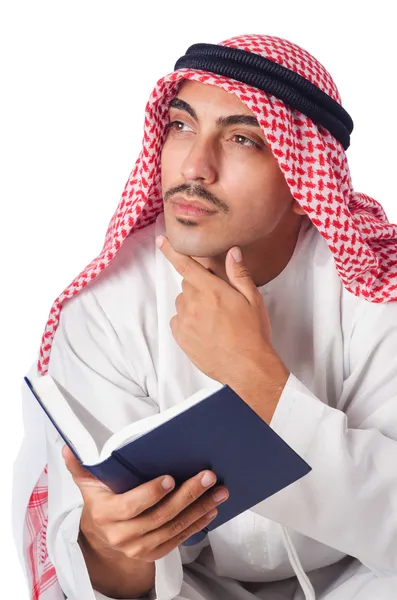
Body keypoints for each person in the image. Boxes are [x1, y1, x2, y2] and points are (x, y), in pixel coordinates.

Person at [12, 34, 397, 600]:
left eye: (242, 139)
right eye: (181, 126)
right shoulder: (106, 309)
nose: (195, 165)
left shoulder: (375, 292)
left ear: (304, 181)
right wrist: (112, 542)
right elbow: (113, 576)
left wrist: (255, 377)